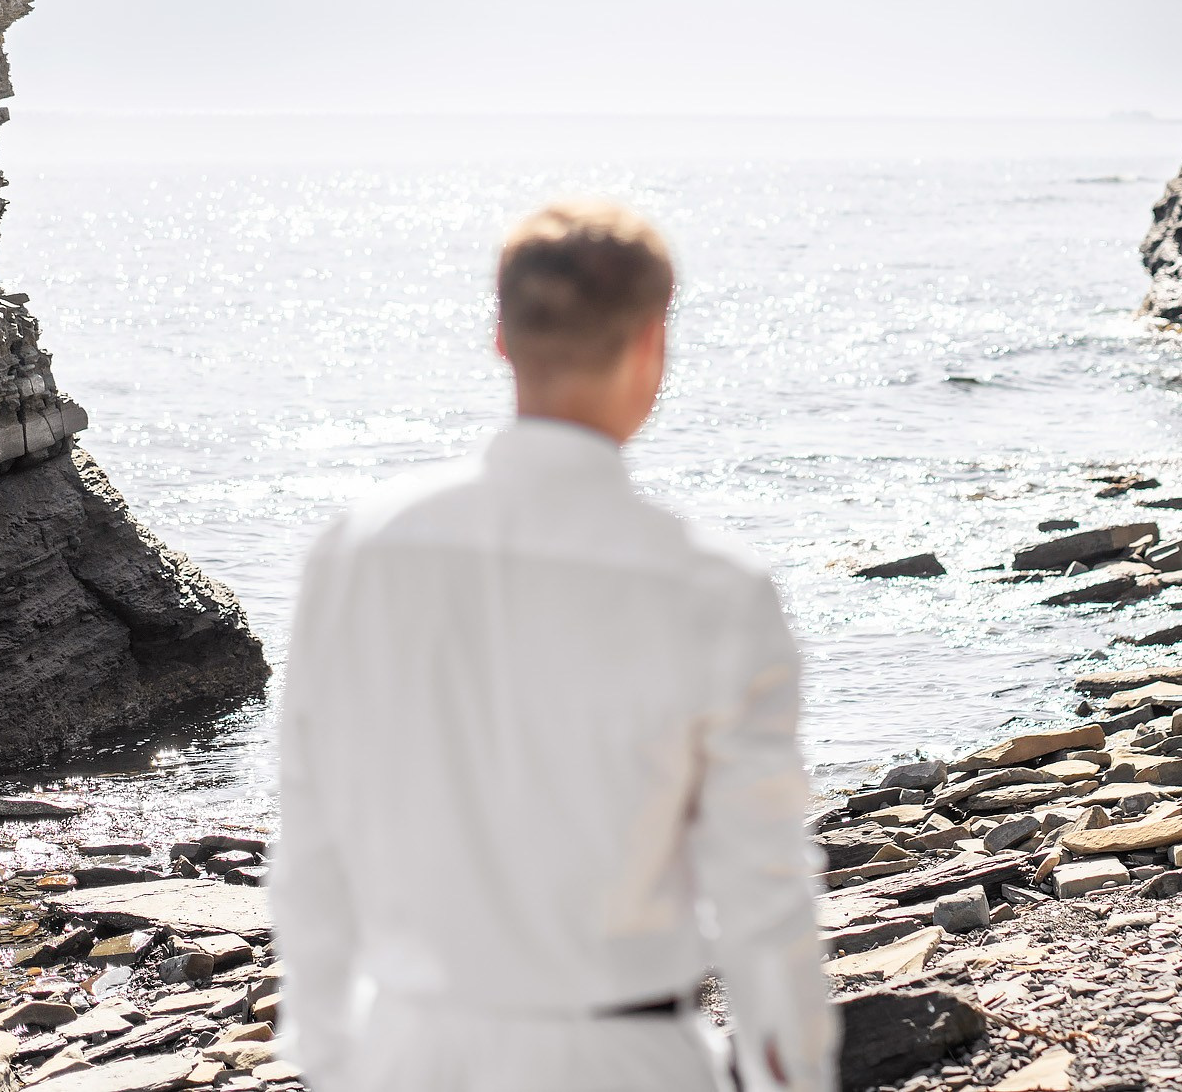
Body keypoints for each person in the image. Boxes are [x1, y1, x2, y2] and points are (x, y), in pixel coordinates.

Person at [272, 200, 835, 1092]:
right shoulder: (715, 587)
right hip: (625, 1058)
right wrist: (794, 1072)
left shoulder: (360, 548)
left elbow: (310, 832)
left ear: (502, 338)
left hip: (407, 1051)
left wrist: (331, 1059)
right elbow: (761, 884)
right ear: (653, 345)